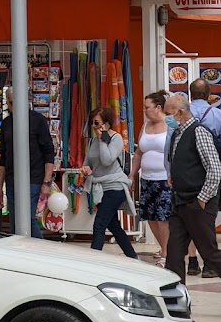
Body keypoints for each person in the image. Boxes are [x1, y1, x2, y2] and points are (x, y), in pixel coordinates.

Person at [164, 93, 221, 282]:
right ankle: (176, 299)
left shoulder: (199, 132)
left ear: (180, 113)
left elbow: (214, 168)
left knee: (210, 254)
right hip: (180, 201)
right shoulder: (177, 134)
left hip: (198, 202)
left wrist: (203, 198)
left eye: (169, 113)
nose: (167, 117)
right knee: (173, 254)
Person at [0, 86, 55, 239]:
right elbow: (3, 156)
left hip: (33, 178)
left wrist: (46, 182)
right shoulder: (7, 124)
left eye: (16, 102)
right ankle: (22, 253)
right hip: (11, 179)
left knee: (27, 220)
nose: (13, 106)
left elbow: (49, 152)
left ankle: (41, 251)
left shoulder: (37, 121)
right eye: (10, 103)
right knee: (15, 222)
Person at [81, 105, 138, 259]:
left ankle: (95, 259)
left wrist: (102, 140)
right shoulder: (92, 141)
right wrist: (86, 168)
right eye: (93, 123)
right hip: (100, 187)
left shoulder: (116, 139)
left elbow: (107, 160)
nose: (94, 126)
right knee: (113, 225)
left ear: (106, 123)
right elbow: (88, 161)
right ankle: (132, 256)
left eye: (97, 123)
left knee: (99, 223)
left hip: (115, 186)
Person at [129, 90, 171, 266]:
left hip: (164, 178)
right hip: (147, 178)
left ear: (158, 107)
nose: (145, 110)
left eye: (147, 107)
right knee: (150, 216)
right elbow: (139, 153)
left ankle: (167, 253)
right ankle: (163, 247)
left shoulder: (170, 125)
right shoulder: (145, 126)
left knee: (163, 217)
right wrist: (132, 174)